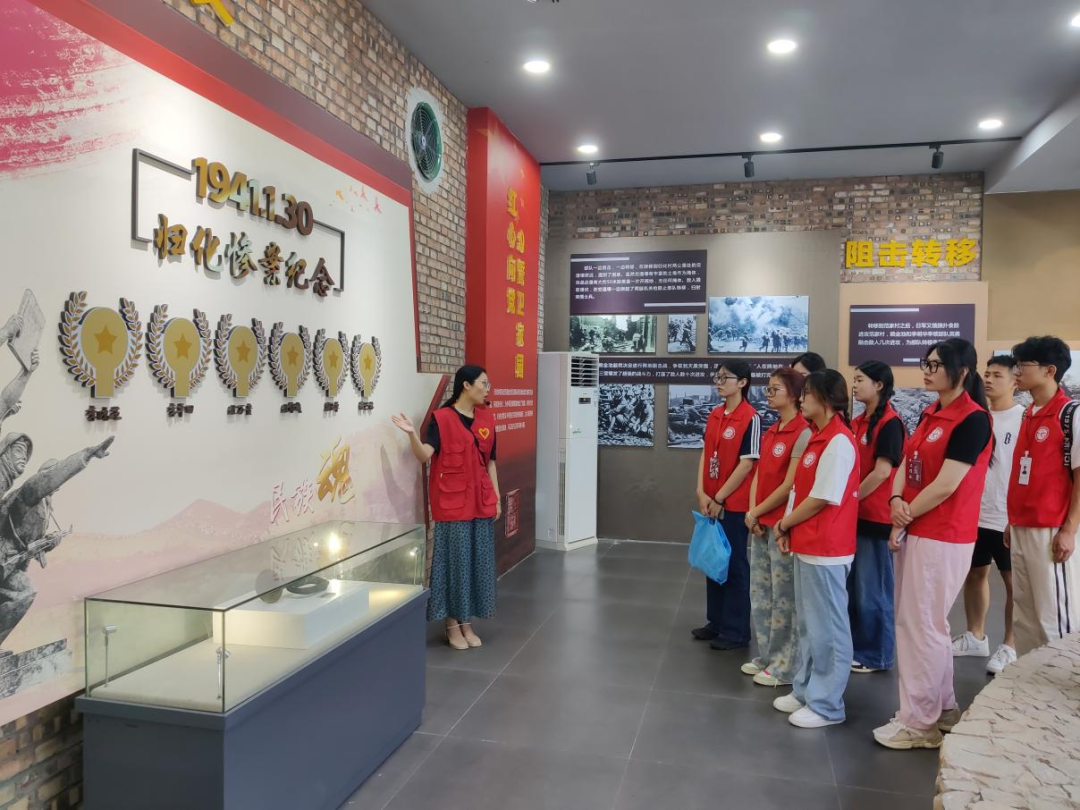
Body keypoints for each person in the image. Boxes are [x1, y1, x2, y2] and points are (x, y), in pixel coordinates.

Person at [874, 339, 992, 750]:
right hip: (919, 526)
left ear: (962, 371)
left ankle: (918, 722)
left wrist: (904, 514)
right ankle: (942, 709)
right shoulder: (930, 412)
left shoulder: (973, 419)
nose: (927, 371)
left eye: (936, 365)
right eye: (926, 363)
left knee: (920, 625)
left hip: (944, 533)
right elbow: (907, 463)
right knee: (926, 624)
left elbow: (947, 484)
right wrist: (895, 500)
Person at [770, 370, 859, 728]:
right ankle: (806, 689)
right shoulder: (817, 437)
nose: (801, 398)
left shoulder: (838, 441)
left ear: (825, 398)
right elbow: (800, 490)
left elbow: (822, 497)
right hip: (807, 542)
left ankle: (827, 704)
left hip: (828, 548)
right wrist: (788, 527)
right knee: (809, 625)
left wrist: (784, 524)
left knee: (830, 630)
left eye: (807, 393)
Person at [392, 365, 500, 651]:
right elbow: (424, 456)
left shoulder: (487, 420)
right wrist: (411, 434)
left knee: (477, 564)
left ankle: (466, 622)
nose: (487, 389)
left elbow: (491, 462)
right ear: (466, 385)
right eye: (484, 383)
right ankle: (452, 624)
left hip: (481, 503)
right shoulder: (441, 419)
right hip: (453, 507)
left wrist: (497, 498)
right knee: (455, 565)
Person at [1, 437, 114, 649]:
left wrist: (49, 543)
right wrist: (87, 454)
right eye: (18, 451)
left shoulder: (45, 506)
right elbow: (55, 476)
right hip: (4, 558)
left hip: (15, 563)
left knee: (24, 593)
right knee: (24, 593)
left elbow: (29, 541)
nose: (58, 486)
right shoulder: (30, 490)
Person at [1007, 336, 1080, 657]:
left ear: (1050, 370)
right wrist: (1012, 521)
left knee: (1055, 618)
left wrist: (1069, 529)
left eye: (1023, 365)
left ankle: (1058, 682)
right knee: (1025, 615)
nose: (1017, 371)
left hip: (1052, 529)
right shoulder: (1028, 413)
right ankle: (1029, 681)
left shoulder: (1071, 414)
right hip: (1021, 525)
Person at [952, 355, 1023, 674]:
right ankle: (975, 636)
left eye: (997, 375)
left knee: (1013, 583)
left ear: (1015, 381)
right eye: (987, 374)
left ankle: (1010, 644)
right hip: (974, 513)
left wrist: (1017, 515)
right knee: (975, 574)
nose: (989, 380)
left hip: (1006, 516)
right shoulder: (978, 417)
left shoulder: (1023, 419)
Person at [743, 368, 811, 686]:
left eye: (775, 389)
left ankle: (785, 666)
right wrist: (753, 513)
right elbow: (758, 475)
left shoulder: (802, 432)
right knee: (761, 593)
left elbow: (789, 485)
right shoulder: (772, 430)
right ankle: (767, 655)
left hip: (782, 525)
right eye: (768, 389)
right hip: (761, 522)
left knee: (784, 598)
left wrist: (757, 512)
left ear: (795, 395)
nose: (769, 394)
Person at [692, 360, 761, 651]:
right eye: (717, 377)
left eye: (725, 377)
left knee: (733, 564)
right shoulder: (715, 414)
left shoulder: (751, 417)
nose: (719, 382)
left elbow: (747, 464)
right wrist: (701, 491)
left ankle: (736, 630)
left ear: (742, 382)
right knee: (713, 560)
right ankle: (717, 621)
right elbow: (706, 452)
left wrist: (720, 497)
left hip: (732, 503)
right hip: (711, 501)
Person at [848, 361, 905, 674]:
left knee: (874, 589)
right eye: (854, 379)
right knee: (855, 590)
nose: (854, 385)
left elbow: (883, 472)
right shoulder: (858, 421)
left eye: (860, 380)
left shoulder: (890, 423)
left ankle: (877, 654)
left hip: (876, 517)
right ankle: (858, 647)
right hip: (854, 516)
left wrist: (851, 497)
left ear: (879, 384)